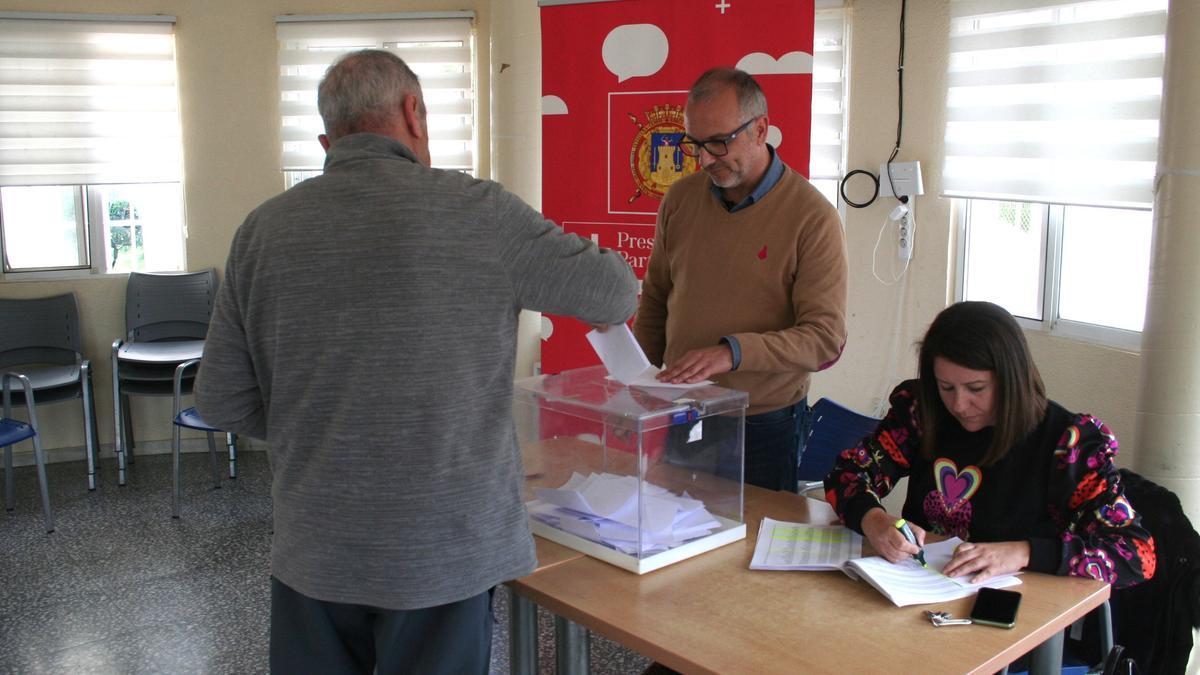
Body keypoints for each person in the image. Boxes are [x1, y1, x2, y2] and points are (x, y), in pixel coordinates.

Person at [194, 49, 638, 674]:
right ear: (414, 114)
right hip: (443, 552)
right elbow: (614, 294)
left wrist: (321, 424)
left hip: (315, 550)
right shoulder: (479, 212)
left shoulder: (261, 231)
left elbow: (221, 401)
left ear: (328, 140)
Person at [824, 301, 1155, 589]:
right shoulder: (922, 413)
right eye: (946, 387)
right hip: (921, 590)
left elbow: (1136, 553)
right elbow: (849, 472)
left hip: (1017, 613)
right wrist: (874, 520)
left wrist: (1023, 552)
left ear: (1010, 378)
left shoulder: (1066, 445)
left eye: (976, 388)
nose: (959, 404)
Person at [633, 67, 848, 492]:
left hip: (764, 424)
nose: (705, 158)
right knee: (677, 539)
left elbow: (825, 338)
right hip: (685, 410)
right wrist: (637, 378)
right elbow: (657, 298)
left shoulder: (813, 217)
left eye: (719, 142)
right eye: (695, 144)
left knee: (748, 553)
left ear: (760, 129)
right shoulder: (680, 199)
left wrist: (732, 353)